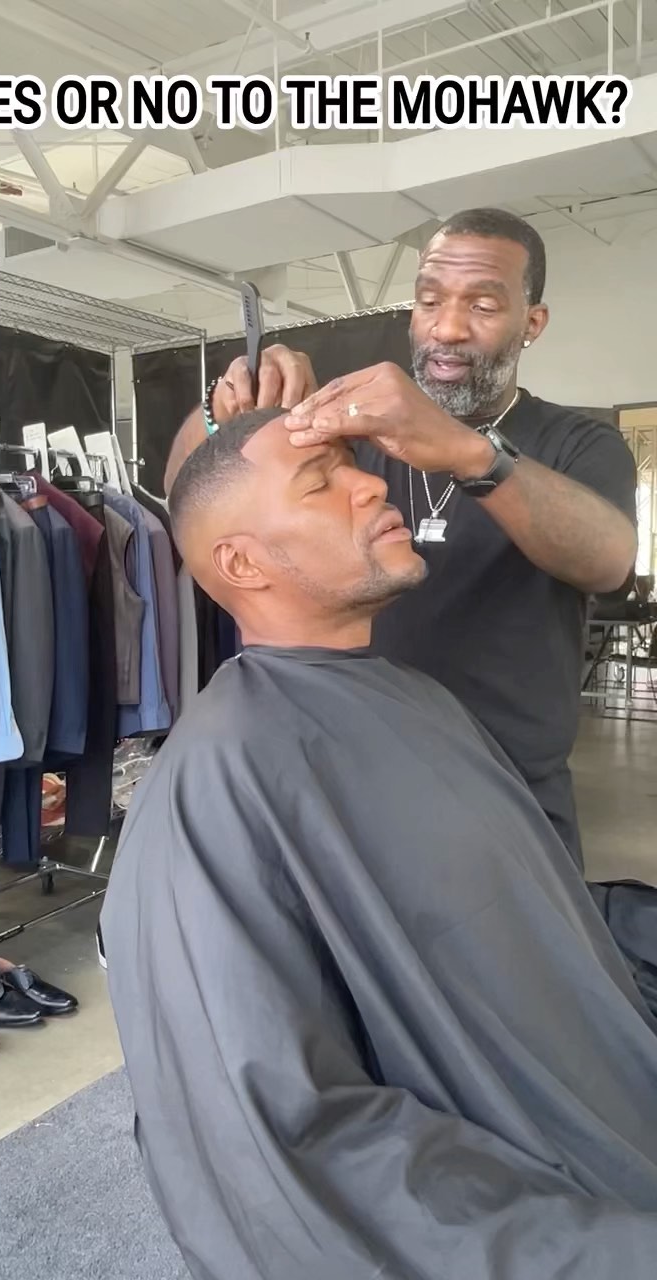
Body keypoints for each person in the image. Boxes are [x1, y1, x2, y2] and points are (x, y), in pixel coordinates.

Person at [104, 406, 657, 1280]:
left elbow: (517, 910)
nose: (371, 484)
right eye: (321, 481)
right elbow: (281, 1138)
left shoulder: (421, 700)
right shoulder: (218, 784)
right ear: (241, 563)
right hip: (545, 1203)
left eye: (356, 464)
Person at [167, 208, 637, 869]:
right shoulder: (358, 426)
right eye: (429, 301)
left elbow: (609, 562)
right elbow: (192, 489)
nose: (447, 328)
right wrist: (224, 407)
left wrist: (469, 453)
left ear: (532, 323)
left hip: (508, 796)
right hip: (350, 780)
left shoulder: (577, 442)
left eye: (482, 305)